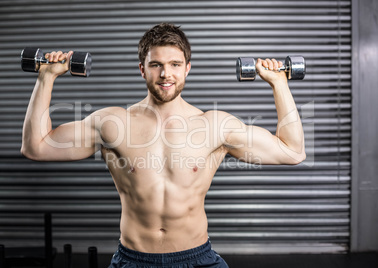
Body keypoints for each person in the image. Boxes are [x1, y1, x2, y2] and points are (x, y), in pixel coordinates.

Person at [21, 23, 306, 268]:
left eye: (175, 65)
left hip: (198, 258)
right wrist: (46, 77)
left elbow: (292, 152)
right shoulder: (112, 123)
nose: (165, 74)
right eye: (156, 65)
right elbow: (37, 146)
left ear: (187, 69)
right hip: (133, 260)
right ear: (142, 69)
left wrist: (279, 83)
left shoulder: (215, 125)